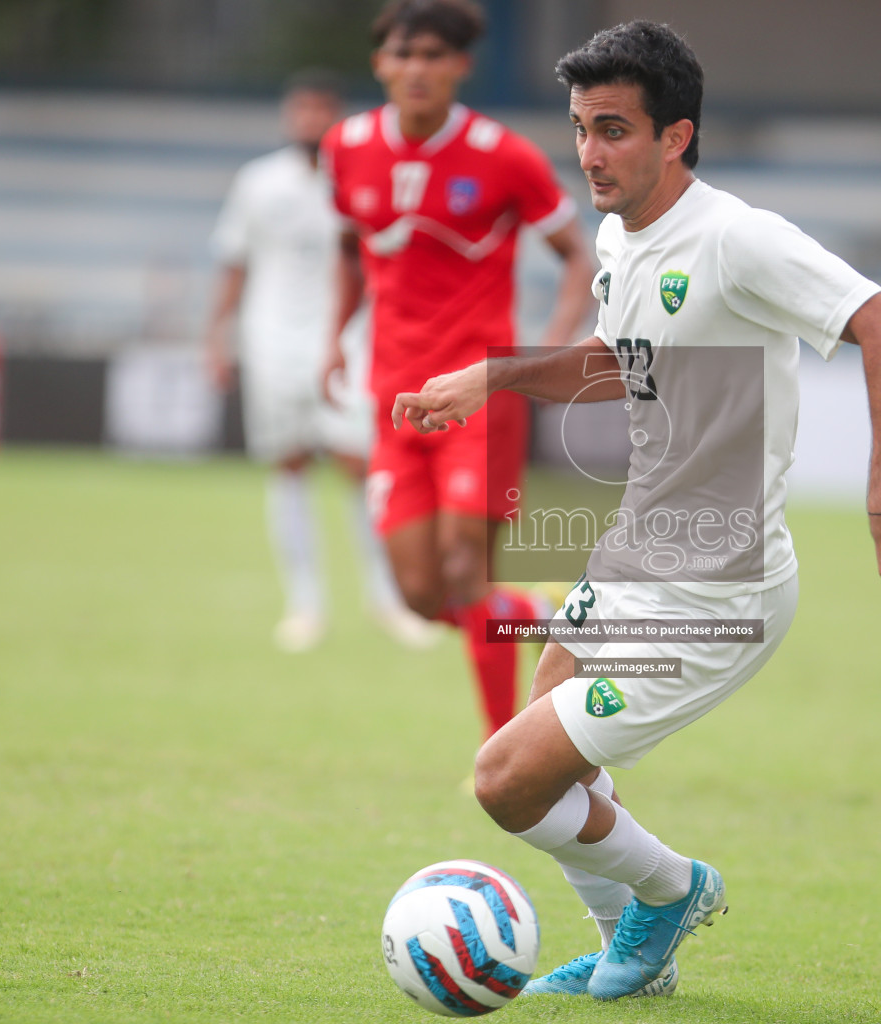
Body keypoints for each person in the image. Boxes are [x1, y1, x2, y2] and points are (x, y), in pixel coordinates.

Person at [391, 20, 881, 1002]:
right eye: (581, 128)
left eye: (614, 130)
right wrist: (495, 375)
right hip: (637, 554)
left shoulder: (737, 239)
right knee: (547, 765)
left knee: (504, 780)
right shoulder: (619, 233)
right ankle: (634, 957)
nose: (591, 154)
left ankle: (674, 888)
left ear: (675, 136)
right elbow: (621, 361)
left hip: (717, 588)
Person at [318, 0, 596, 738]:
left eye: (435, 56)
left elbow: (578, 259)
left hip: (478, 395)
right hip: (393, 398)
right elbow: (351, 248)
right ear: (379, 63)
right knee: (417, 593)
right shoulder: (344, 147)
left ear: (460, 66)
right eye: (403, 55)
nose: (417, 70)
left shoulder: (503, 154)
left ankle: (503, 755)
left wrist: (544, 357)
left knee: (464, 567)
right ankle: (542, 617)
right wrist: (332, 338)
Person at [206, 69, 429, 653]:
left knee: (359, 464)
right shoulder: (258, 183)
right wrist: (216, 336)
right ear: (288, 115)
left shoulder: (361, 178)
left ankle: (386, 599)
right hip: (270, 338)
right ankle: (304, 606)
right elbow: (234, 263)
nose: (310, 121)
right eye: (301, 109)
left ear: (339, 117)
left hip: (349, 339)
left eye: (321, 110)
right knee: (289, 463)